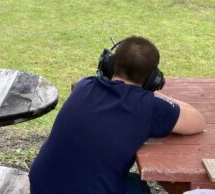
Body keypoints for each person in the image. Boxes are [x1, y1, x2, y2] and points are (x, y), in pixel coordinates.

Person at [29, 36, 205, 194]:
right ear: (153, 79)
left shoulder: (84, 85)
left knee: (131, 181)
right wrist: (153, 95)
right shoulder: (148, 105)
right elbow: (197, 121)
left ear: (110, 64)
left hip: (42, 185)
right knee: (139, 187)